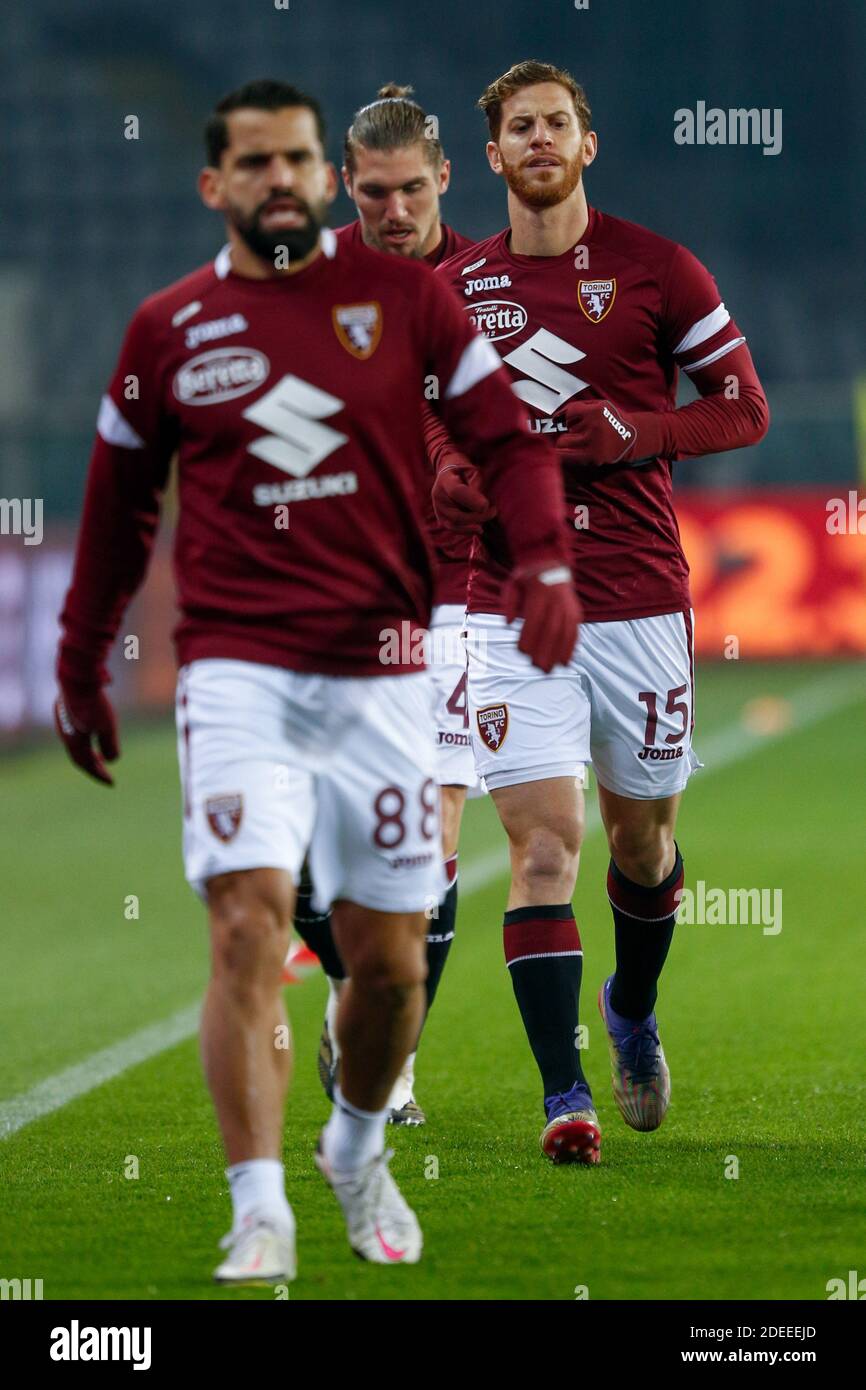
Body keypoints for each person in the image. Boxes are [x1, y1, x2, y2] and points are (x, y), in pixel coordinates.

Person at [54, 77, 580, 1281]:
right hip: (236, 667)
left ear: (314, 174)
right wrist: (82, 657)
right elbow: (117, 506)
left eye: (295, 158)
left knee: (390, 963)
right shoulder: (167, 329)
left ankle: (353, 1143)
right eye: (256, 164)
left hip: (388, 666)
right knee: (244, 926)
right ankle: (258, 1206)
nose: (278, 180)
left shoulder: (406, 301)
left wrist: (543, 558)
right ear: (217, 185)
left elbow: (505, 438)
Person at [431, 60, 769, 1166]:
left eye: (555, 124)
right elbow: (426, 424)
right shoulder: (456, 288)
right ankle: (563, 1094)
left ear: (587, 143)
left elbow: (742, 407)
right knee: (542, 848)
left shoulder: (656, 269)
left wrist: (635, 433)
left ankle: (629, 1004)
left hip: (634, 601)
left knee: (641, 844)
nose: (537, 140)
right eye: (517, 128)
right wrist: (447, 472)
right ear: (491, 157)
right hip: (507, 602)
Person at [291, 83, 478, 1127]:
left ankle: (391, 1071)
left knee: (433, 819)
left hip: (457, 589)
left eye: (411, 189)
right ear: (340, 188)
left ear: (443, 178)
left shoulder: (488, 282)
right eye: (373, 194)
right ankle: (349, 982)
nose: (394, 210)